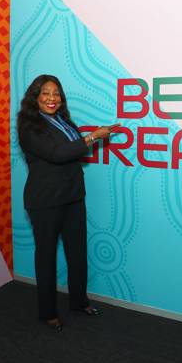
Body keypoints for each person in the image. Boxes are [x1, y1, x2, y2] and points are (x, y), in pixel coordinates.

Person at [17, 74, 118, 331]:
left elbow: (73, 150)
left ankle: (78, 301)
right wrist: (93, 137)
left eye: (56, 94)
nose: (52, 99)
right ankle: (48, 312)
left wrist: (86, 139)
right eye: (46, 94)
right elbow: (57, 153)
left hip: (73, 197)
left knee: (77, 253)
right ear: (35, 98)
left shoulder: (63, 121)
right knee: (47, 257)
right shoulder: (29, 127)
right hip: (46, 201)